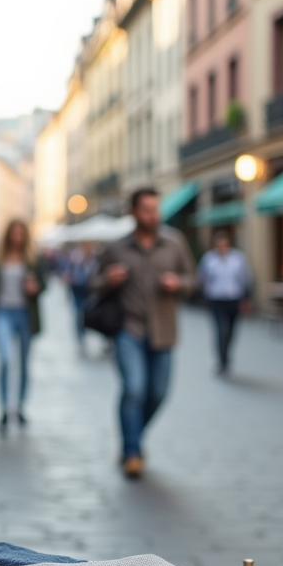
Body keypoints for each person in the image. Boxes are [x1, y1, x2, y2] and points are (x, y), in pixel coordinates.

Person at [91, 188, 196, 478]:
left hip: (163, 330)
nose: (153, 214)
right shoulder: (116, 248)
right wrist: (108, 280)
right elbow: (93, 283)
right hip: (129, 328)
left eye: (155, 209)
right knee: (134, 389)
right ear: (133, 212)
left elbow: (193, 279)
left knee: (158, 393)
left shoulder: (174, 243)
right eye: (146, 209)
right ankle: (132, 451)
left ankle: (132, 437)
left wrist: (179, 284)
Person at [0, 219, 47, 426]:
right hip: (3, 312)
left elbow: (44, 285)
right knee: (5, 360)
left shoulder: (33, 259)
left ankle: (19, 406)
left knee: (24, 362)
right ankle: (3, 406)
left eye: (21, 234)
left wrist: (34, 287)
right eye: (14, 233)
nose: (17, 237)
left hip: (25, 314)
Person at [197, 228, 253, 375]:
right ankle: (222, 361)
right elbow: (202, 278)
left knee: (231, 332)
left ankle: (227, 356)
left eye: (225, 244)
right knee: (222, 330)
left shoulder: (238, 259)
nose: (222, 247)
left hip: (233, 299)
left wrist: (246, 299)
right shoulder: (209, 259)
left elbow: (245, 279)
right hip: (216, 300)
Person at [62, 242, 98, 353]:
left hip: (88, 290)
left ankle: (85, 333)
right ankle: (81, 337)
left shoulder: (93, 260)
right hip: (77, 290)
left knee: (87, 314)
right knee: (78, 314)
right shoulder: (75, 259)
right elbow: (68, 272)